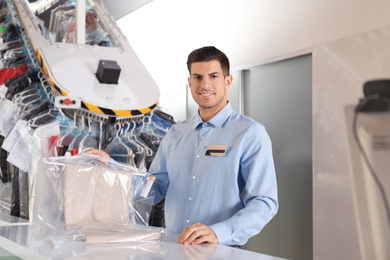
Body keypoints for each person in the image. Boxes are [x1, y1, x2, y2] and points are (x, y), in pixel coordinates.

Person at [87, 46, 278, 247]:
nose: (205, 84)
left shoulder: (250, 133)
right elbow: (154, 188)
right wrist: (112, 171)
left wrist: (219, 232)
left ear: (228, 81)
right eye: (197, 77)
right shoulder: (176, 133)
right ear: (189, 82)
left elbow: (265, 202)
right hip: (176, 249)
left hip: (221, 250)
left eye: (213, 76)